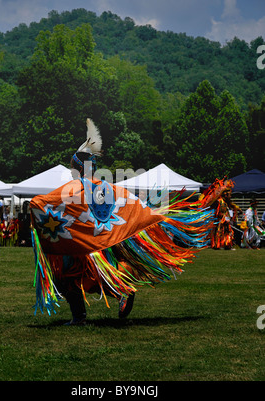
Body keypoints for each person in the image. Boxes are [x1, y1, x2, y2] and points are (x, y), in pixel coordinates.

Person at [29, 119, 216, 325]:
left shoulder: (76, 187)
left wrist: (35, 204)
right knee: (88, 275)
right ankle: (119, 292)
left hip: (85, 246)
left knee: (68, 278)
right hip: (101, 244)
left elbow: (50, 201)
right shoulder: (111, 188)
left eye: (72, 166)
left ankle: (90, 310)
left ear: (77, 166)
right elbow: (132, 207)